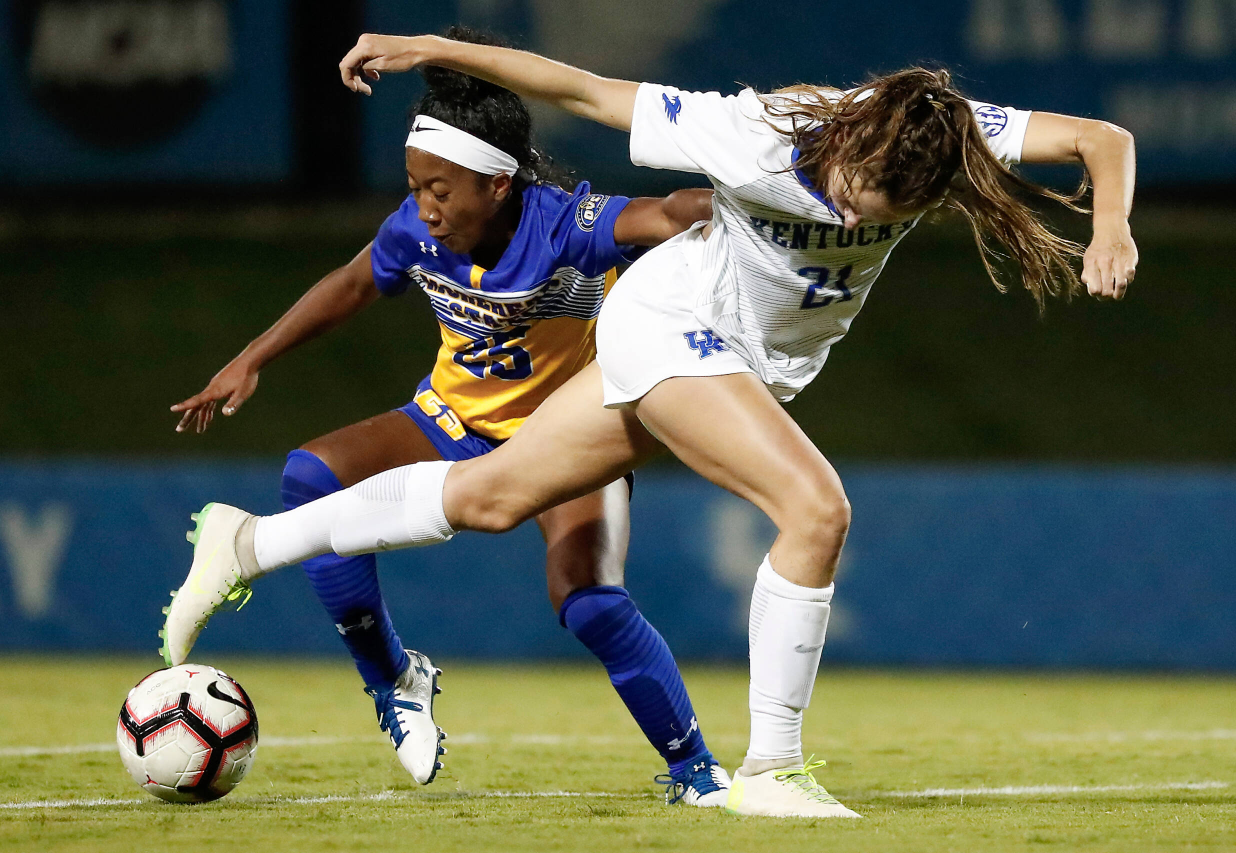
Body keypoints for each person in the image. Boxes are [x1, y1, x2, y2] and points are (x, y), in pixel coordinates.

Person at [166, 32, 1138, 818]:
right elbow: (583, 90)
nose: (853, 217)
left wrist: (1110, 227)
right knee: (814, 510)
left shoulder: (942, 133)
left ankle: (247, 540)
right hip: (673, 325)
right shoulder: (752, 135)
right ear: (851, 149)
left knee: (491, 494)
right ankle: (770, 769)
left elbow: (1104, 139)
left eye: (880, 214)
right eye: (849, 196)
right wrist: (432, 47)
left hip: (730, 354)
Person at [162, 28, 730, 806]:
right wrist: (254, 355)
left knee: (590, 601)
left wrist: (746, 207)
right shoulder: (415, 228)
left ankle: (695, 768)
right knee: (311, 476)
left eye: (439, 188)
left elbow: (665, 212)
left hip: (564, 438)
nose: (423, 205)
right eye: (413, 183)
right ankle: (396, 679)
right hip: (449, 417)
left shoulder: (564, 225)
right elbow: (354, 283)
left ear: (497, 185)